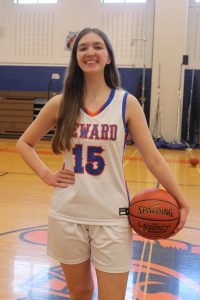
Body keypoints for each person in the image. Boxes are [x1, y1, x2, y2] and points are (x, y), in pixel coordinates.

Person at [16, 27, 189, 300]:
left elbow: (153, 158)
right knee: (81, 293)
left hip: (112, 217)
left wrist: (181, 200)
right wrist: (46, 175)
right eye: (82, 48)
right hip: (67, 214)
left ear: (108, 56)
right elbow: (23, 143)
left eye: (97, 46)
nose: (90, 52)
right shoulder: (60, 104)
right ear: (76, 58)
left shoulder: (126, 103)